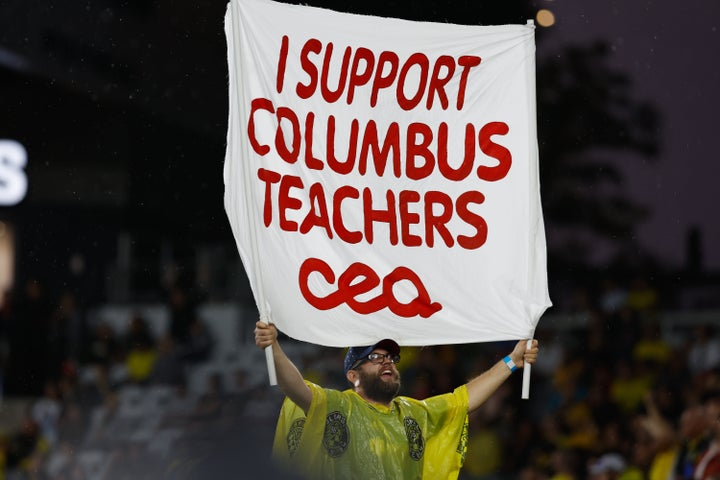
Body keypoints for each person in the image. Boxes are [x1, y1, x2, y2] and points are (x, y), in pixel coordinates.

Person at [254, 321, 539, 479]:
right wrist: (274, 346)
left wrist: (512, 361)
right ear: (353, 375)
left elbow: (462, 400)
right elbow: (295, 387)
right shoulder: (337, 406)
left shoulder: (413, 413)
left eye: (390, 357)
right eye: (375, 358)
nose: (387, 362)